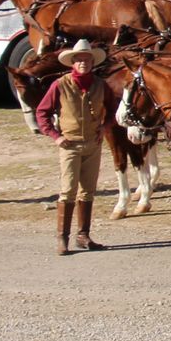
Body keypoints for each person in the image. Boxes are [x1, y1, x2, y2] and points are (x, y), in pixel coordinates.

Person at [35, 39, 112, 255]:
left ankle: (83, 235)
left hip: (93, 144)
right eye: (79, 60)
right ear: (73, 62)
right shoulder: (60, 84)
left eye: (87, 59)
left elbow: (113, 110)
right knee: (68, 191)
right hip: (69, 144)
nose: (83, 63)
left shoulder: (100, 85)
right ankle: (62, 238)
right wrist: (55, 136)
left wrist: (104, 127)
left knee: (88, 191)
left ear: (92, 62)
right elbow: (42, 113)